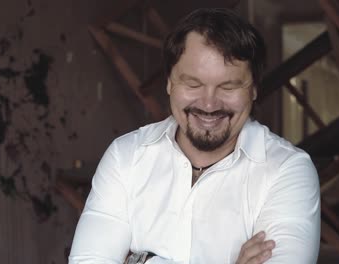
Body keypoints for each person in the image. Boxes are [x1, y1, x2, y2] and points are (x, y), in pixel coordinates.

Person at [69, 8, 320, 264]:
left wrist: (142, 261)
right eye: (193, 84)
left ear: (254, 89)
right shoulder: (126, 156)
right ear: (169, 83)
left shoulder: (288, 170)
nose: (209, 104)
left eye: (228, 86)